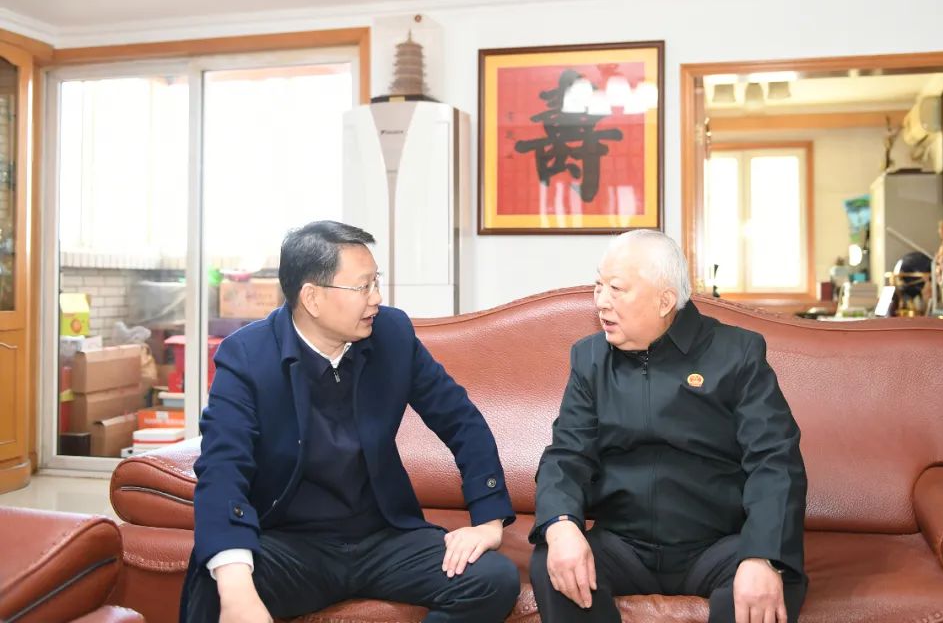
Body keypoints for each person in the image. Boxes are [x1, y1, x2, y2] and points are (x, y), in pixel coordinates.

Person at [181, 220, 519, 623]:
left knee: (493, 579)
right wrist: (237, 589)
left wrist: (488, 520)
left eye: (376, 281)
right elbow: (222, 466)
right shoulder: (248, 356)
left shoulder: (392, 335)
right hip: (291, 544)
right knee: (215, 581)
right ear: (312, 297)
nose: (377, 297)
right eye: (363, 286)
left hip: (383, 539)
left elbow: (461, 420)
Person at [530, 230, 807, 623]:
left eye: (616, 288)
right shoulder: (590, 360)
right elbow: (566, 455)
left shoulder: (737, 354)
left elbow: (775, 459)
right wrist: (560, 526)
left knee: (771, 582)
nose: (601, 301)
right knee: (553, 562)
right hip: (623, 545)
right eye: (598, 286)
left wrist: (761, 555)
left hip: (719, 545)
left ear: (664, 301)